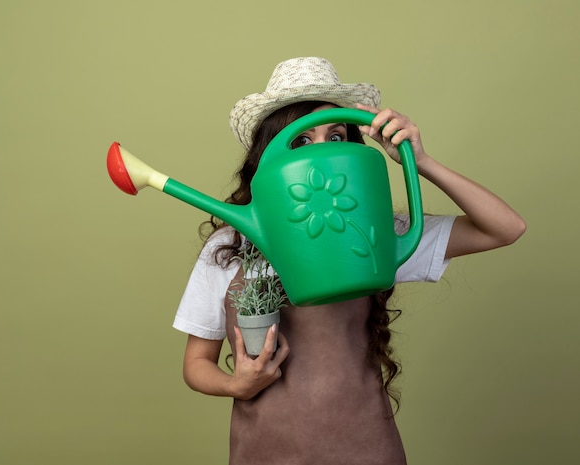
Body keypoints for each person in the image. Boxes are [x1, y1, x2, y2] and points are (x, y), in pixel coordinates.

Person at [173, 57, 526, 465]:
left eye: (336, 136)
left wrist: (419, 160)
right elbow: (196, 363)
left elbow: (504, 228)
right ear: (267, 155)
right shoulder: (230, 244)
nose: (321, 153)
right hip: (263, 454)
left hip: (368, 452)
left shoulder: (375, 233)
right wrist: (238, 385)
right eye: (301, 140)